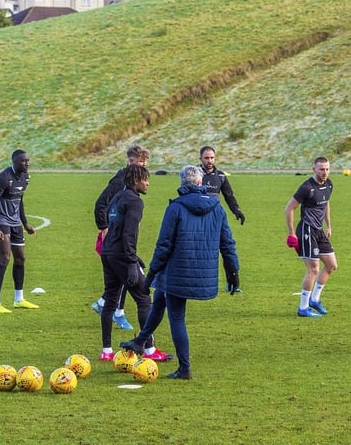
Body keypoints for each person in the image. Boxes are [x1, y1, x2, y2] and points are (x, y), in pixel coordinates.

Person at [120, 165, 239, 380]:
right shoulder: (217, 208)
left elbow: (163, 245)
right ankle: (140, 341)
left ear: (181, 183)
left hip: (178, 270)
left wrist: (150, 275)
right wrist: (233, 271)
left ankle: (185, 368)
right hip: (199, 271)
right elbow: (227, 242)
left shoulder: (175, 208)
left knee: (176, 315)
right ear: (200, 183)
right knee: (159, 299)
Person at [98, 164, 169, 363]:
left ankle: (106, 351)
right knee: (144, 299)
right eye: (145, 179)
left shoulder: (117, 197)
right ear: (136, 180)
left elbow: (115, 228)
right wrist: (131, 261)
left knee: (110, 301)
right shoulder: (135, 202)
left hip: (108, 252)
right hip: (122, 256)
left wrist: (133, 258)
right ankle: (149, 350)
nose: (147, 183)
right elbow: (129, 233)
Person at [90, 144, 150, 330]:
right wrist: (105, 227)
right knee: (126, 272)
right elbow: (101, 203)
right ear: (131, 161)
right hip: (114, 238)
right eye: (141, 163)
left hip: (121, 236)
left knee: (123, 274)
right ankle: (113, 309)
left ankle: (115, 310)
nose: (144, 167)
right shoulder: (120, 181)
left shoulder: (131, 185)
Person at [0, 149, 39, 313]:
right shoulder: (4, 178)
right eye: (23, 161)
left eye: (28, 160)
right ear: (15, 162)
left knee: (21, 258)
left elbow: (19, 200)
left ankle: (19, 299)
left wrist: (25, 223)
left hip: (15, 222)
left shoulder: (25, 178)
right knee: (4, 258)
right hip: (2, 221)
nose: (27, 163)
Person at [284, 156, 337, 317]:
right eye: (321, 169)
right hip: (306, 230)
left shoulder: (329, 184)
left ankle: (314, 299)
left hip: (319, 231)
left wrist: (328, 225)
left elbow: (326, 203)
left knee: (331, 265)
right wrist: (292, 233)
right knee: (313, 269)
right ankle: (303, 307)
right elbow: (289, 208)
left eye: (327, 169)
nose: (325, 172)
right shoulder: (306, 187)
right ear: (313, 169)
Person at [200, 146, 245, 225]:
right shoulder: (194, 174)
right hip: (198, 215)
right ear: (200, 159)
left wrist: (237, 210)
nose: (209, 161)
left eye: (212, 158)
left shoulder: (221, 176)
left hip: (215, 215)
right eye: (206, 158)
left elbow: (229, 196)